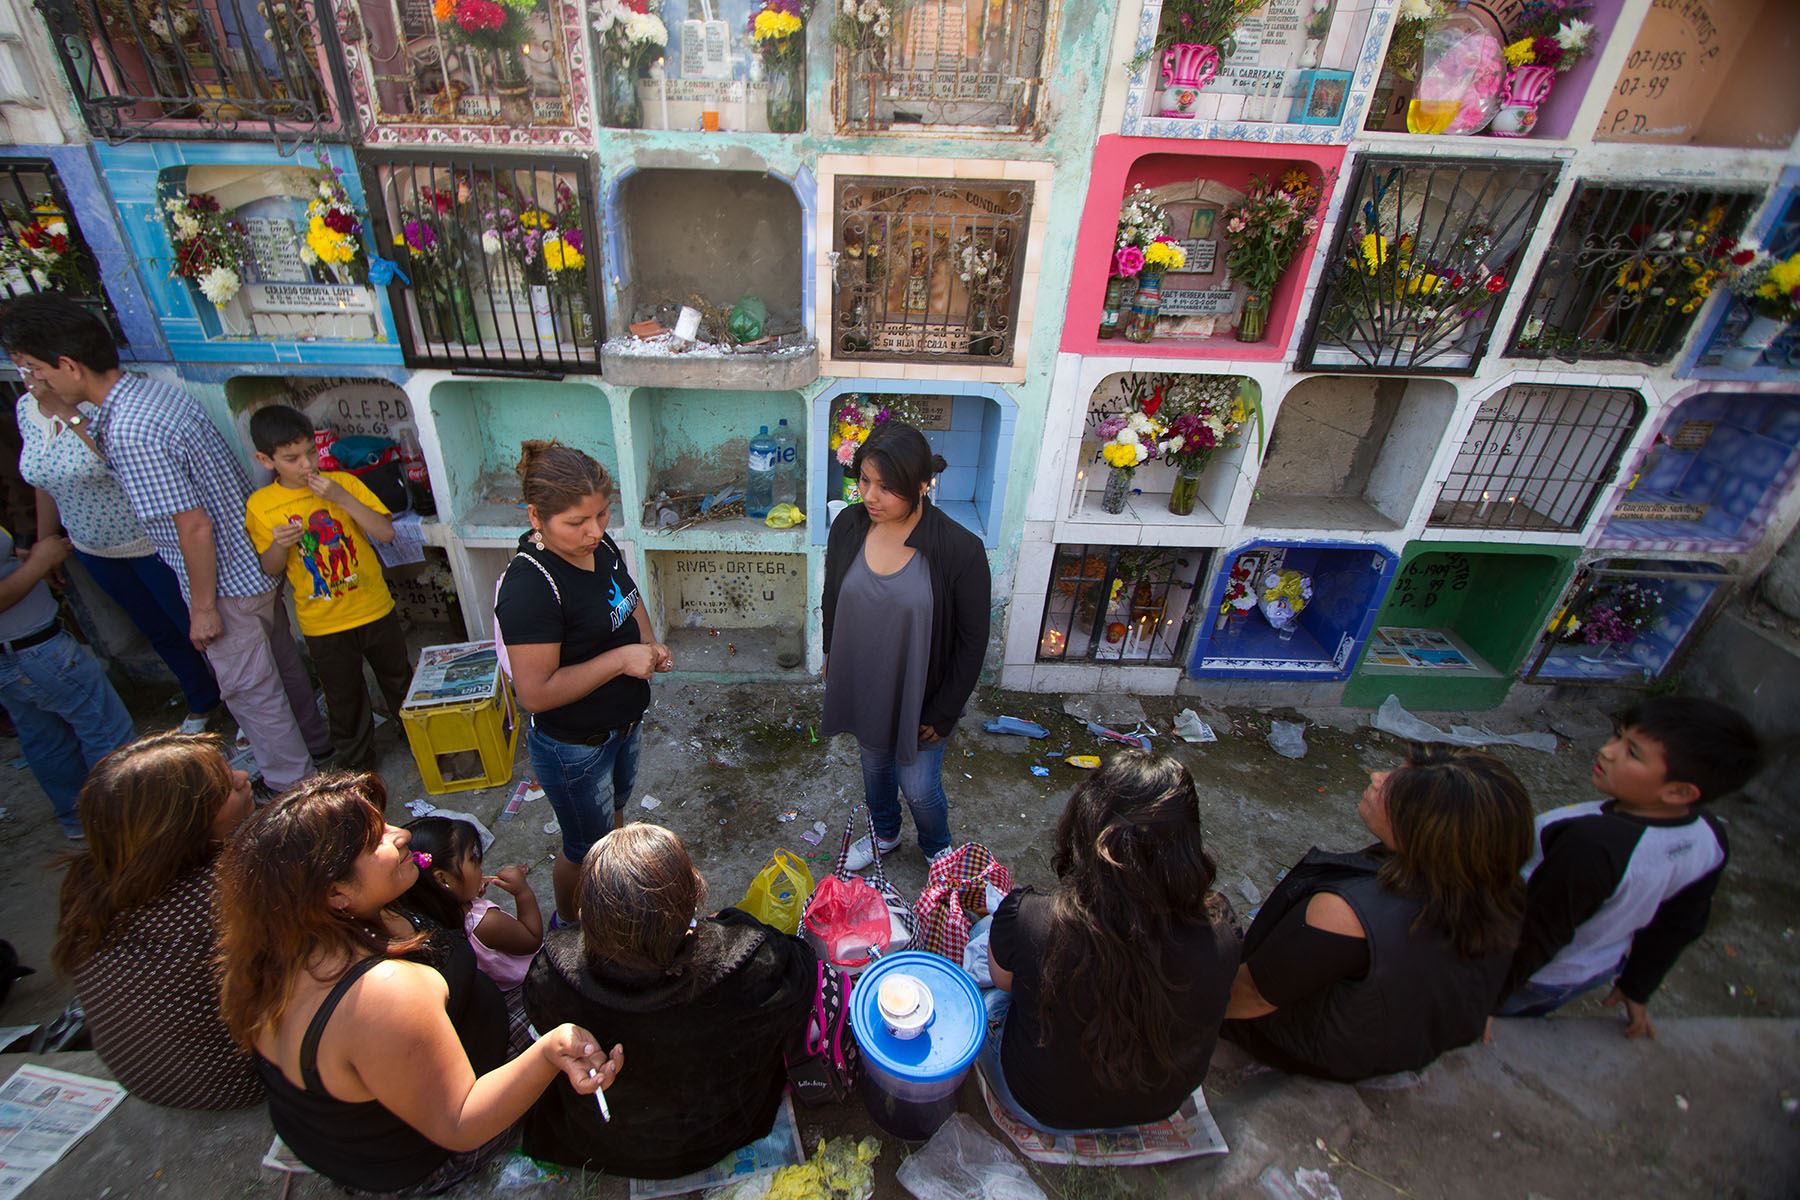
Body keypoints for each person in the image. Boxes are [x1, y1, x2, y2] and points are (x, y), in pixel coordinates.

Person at [215, 772, 622, 1195]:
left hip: (368, 1136)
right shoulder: (380, 994)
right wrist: (549, 1052)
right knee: (586, 988)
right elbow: (461, 1122)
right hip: (428, 1157)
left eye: (383, 821)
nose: (400, 835)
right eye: (374, 840)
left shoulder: (284, 939)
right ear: (335, 893)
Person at [0, 295, 330, 795]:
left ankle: (296, 790)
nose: (35, 382)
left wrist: (202, 609)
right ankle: (316, 746)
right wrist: (66, 415)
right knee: (281, 666)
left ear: (68, 365)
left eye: (36, 369)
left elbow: (193, 525)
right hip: (254, 564)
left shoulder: (133, 427)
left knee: (251, 691)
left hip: (225, 580)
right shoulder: (146, 397)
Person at [1224, 748, 1534, 1083]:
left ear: (1423, 828)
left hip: (1314, 1047)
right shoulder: (1489, 882)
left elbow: (1253, 995)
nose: (1376, 777)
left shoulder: (1346, 911)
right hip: (1403, 1043)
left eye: (1393, 787)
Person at [522, 824, 814, 1178]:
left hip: (602, 1142)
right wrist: (734, 921)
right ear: (691, 900)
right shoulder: (752, 960)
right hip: (723, 1133)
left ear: (588, 917)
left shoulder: (551, 972)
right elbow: (804, 968)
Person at [983, 752, 1238, 1132]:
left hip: (1040, 1105)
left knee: (988, 981)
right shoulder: (1223, 932)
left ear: (1086, 827)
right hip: (1160, 1105)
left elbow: (1004, 981)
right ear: (1188, 843)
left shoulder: (1031, 919)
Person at [1498, 697, 1762, 1039]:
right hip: (1589, 970)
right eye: (1618, 736)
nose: (1608, 751)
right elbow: (1681, 921)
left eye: (1632, 753)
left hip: (1528, 973)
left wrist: (1488, 998)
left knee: (1486, 1022)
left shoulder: (1591, 844)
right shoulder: (1708, 835)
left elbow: (1538, 931)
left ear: (1679, 792)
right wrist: (1639, 985)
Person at [494, 441, 672, 923]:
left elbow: (628, 598)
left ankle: (609, 900)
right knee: (583, 848)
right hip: (575, 747)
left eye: (602, 514)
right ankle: (570, 925)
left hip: (622, 727)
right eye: (576, 522)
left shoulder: (601, 544)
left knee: (612, 828)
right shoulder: (530, 587)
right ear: (536, 517)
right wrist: (620, 661)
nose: (594, 531)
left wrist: (651, 645)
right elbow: (535, 693)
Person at [52, 732, 260, 1107]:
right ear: (182, 825)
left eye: (229, 770)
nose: (242, 779)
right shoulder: (227, 889)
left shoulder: (88, 878)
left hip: (145, 1078)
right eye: (223, 789)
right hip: (235, 1080)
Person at [821, 422, 990, 869]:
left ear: (920, 486)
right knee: (874, 768)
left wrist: (945, 709)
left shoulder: (960, 549)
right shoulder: (849, 526)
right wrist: (830, 654)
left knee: (918, 784)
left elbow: (973, 641)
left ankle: (937, 847)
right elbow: (832, 594)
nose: (870, 497)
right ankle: (886, 832)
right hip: (866, 681)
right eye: (865, 481)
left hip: (925, 691)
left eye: (887, 487)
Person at [14, 372, 221, 733]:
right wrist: (42, 544)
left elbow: (114, 459)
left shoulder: (100, 403)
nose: (28, 373)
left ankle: (243, 703)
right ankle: (202, 699)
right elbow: (42, 480)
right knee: (157, 630)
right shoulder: (24, 409)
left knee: (197, 626)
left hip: (151, 540)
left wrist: (64, 411)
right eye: (18, 362)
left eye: (32, 362)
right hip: (92, 546)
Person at [245, 405, 408, 774]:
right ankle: (357, 768)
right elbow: (271, 568)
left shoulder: (343, 484)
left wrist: (342, 499)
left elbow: (386, 533)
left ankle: (420, 739)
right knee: (344, 698)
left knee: (399, 680)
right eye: (291, 458)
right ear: (265, 460)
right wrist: (279, 544)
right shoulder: (261, 506)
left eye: (310, 453)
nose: (306, 465)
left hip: (373, 607)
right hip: (323, 623)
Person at [0, 519, 133, 837]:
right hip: (35, 650)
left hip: (16, 655)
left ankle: (81, 822)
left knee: (44, 738)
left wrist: (21, 561)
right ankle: (124, 823)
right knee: (106, 731)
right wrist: (38, 564)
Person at [402, 814, 542, 1040]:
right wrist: (522, 892)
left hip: (496, 990)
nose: (480, 864)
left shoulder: (428, 918)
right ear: (443, 880)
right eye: (472, 858)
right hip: (525, 982)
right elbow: (532, 938)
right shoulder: (486, 922)